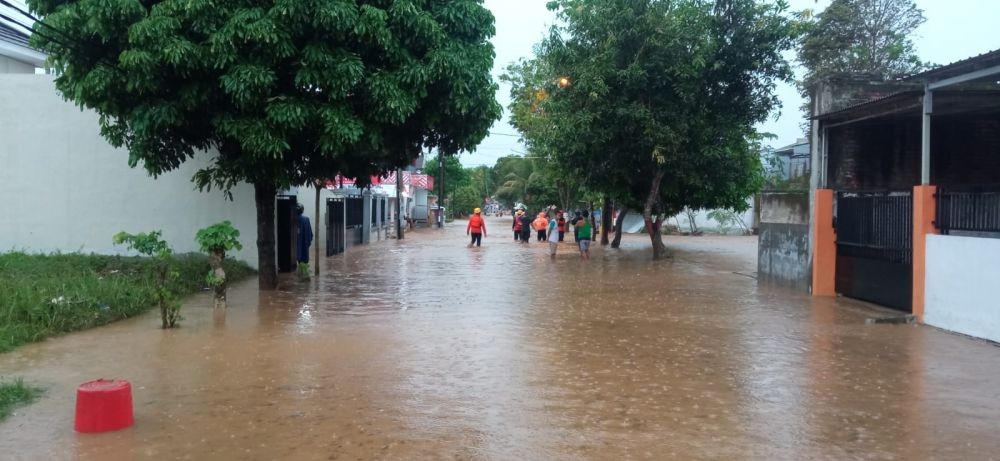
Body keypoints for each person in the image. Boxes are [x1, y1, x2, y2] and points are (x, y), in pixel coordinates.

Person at [296, 203, 313, 276]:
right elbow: (310, 234)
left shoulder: (293, 219)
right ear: (302, 210)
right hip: (305, 246)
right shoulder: (306, 220)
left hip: (297, 246)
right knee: (304, 262)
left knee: (299, 261)